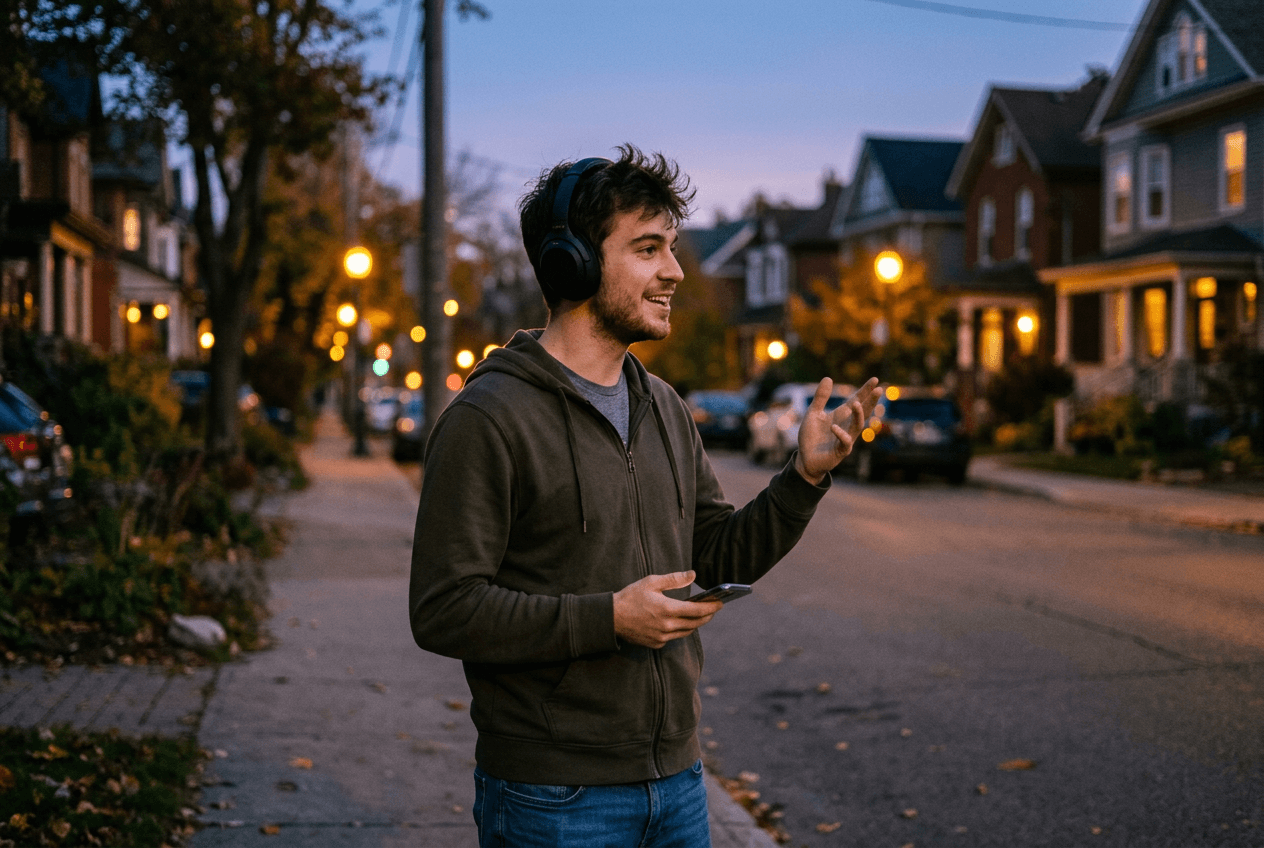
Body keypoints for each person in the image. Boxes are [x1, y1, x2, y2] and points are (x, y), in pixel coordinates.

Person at [409, 144, 880, 847]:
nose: (675, 272)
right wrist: (610, 619)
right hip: (553, 797)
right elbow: (444, 611)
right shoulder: (489, 419)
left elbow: (718, 556)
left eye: (673, 247)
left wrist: (802, 478)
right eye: (648, 249)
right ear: (572, 262)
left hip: (678, 786)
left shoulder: (662, 405)